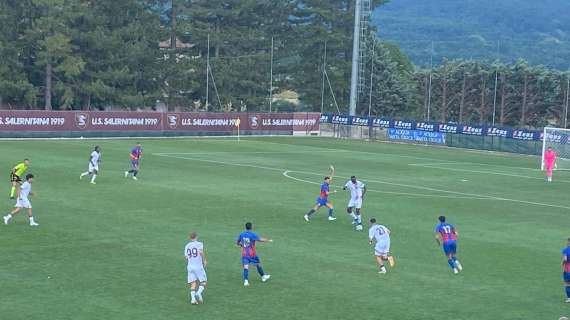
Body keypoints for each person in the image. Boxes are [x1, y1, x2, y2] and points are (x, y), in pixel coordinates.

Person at [236, 222, 272, 286]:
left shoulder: (241, 234)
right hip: (252, 254)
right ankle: (263, 277)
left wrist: (242, 245)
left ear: (245, 227)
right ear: (251, 227)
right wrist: (268, 240)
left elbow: (238, 242)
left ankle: (246, 281)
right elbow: (260, 239)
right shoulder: (252, 235)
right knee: (258, 264)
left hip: (245, 254)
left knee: (246, 267)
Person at [184, 232, 207, 305]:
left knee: (193, 283)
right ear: (196, 237)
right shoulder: (199, 244)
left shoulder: (187, 246)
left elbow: (186, 257)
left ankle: (193, 299)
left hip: (190, 266)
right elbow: (201, 253)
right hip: (198, 266)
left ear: (190, 238)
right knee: (204, 281)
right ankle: (198, 293)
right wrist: (204, 260)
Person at [562, 238, 570, 303]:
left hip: (567, 269)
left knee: (567, 284)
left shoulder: (565, 249)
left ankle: (569, 298)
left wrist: (562, 264)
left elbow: (565, 259)